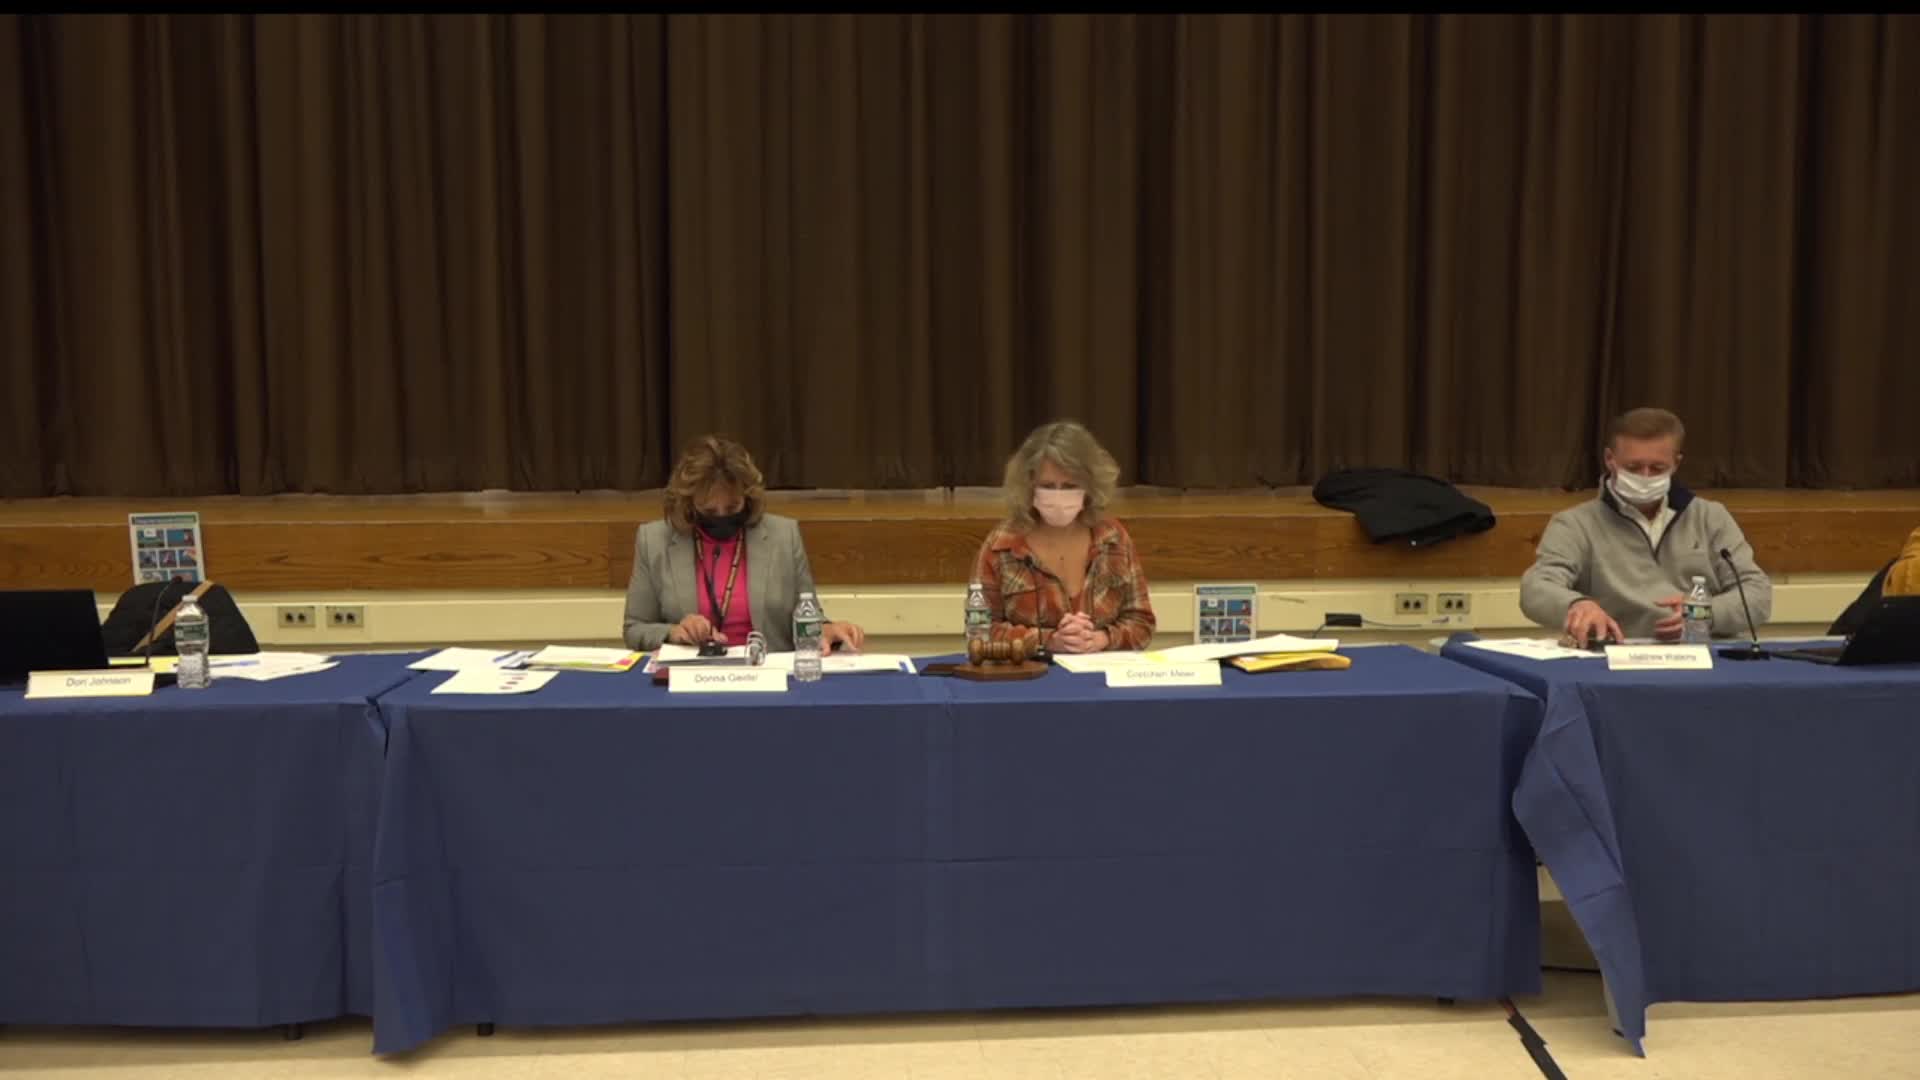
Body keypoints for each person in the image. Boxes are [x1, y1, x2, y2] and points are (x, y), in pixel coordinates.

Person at [1522, 407, 1772, 645]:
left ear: (1676, 463)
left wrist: (1705, 613)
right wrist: (1576, 605)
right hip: (1616, 654)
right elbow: (1536, 589)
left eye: (1657, 468)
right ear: (1609, 459)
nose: (1645, 477)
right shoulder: (1575, 524)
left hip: (1701, 653)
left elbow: (1757, 595)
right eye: (1633, 467)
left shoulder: (1710, 517)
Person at [622, 435, 865, 653]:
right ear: (688, 503)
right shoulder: (654, 541)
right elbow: (634, 629)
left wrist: (825, 629)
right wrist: (673, 632)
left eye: (732, 508)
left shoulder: (783, 536)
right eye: (709, 511)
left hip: (766, 672)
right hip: (691, 676)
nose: (721, 516)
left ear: (748, 498)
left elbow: (808, 617)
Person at [971, 420, 1155, 653]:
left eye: (1069, 486)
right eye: (1048, 486)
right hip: (1032, 673)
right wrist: (1049, 641)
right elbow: (978, 631)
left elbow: (1142, 623)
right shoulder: (1001, 546)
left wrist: (1100, 639)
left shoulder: (1113, 539)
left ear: (1090, 486)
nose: (1058, 496)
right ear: (1028, 485)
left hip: (1101, 670)